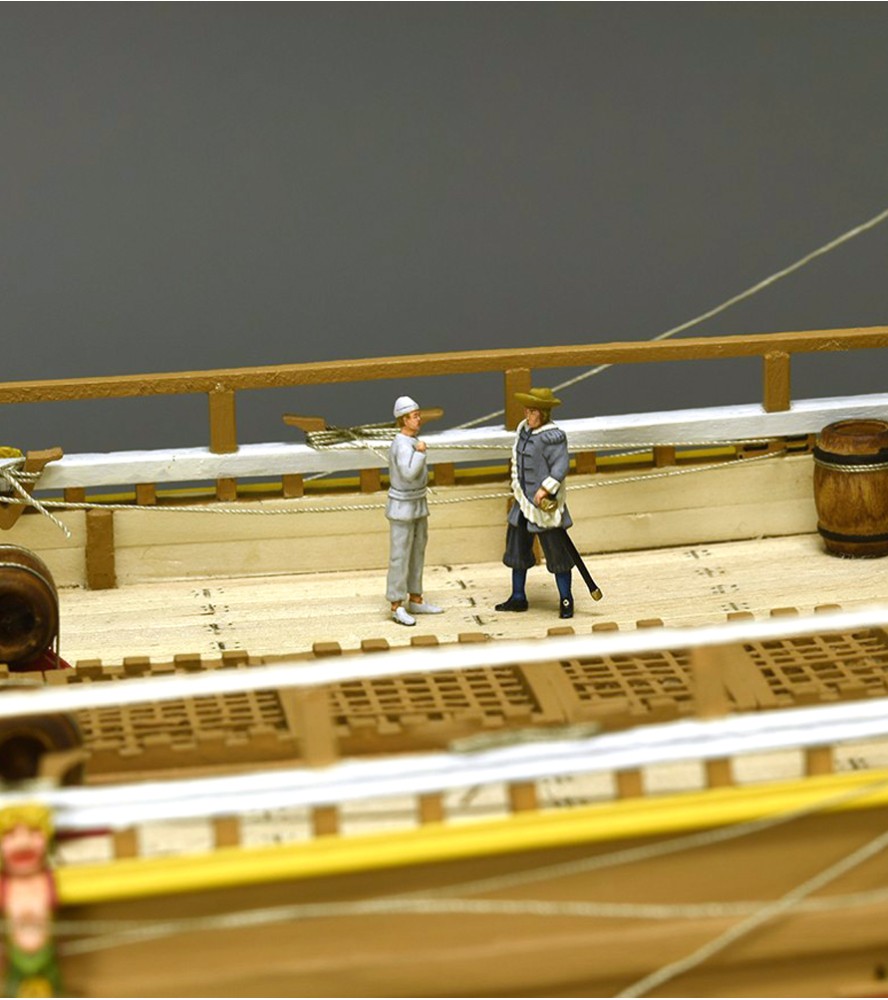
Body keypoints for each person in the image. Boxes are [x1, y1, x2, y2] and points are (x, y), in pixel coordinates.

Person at [495, 386, 585, 619]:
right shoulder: (523, 432)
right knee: (517, 551)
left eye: (533, 411)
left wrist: (546, 489)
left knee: (558, 555)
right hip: (523, 502)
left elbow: (560, 466)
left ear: (543, 413)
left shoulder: (552, 437)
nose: (528, 415)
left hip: (545, 506)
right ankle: (518, 596)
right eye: (527, 410)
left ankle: (566, 599)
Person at [386, 396, 443, 626]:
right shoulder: (402, 445)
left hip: (417, 501)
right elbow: (408, 473)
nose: (419, 420)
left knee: (418, 551)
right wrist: (420, 453)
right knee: (400, 555)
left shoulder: (412, 440)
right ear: (404, 420)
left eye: (419, 415)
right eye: (415, 416)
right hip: (402, 505)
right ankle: (396, 604)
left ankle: (416, 597)